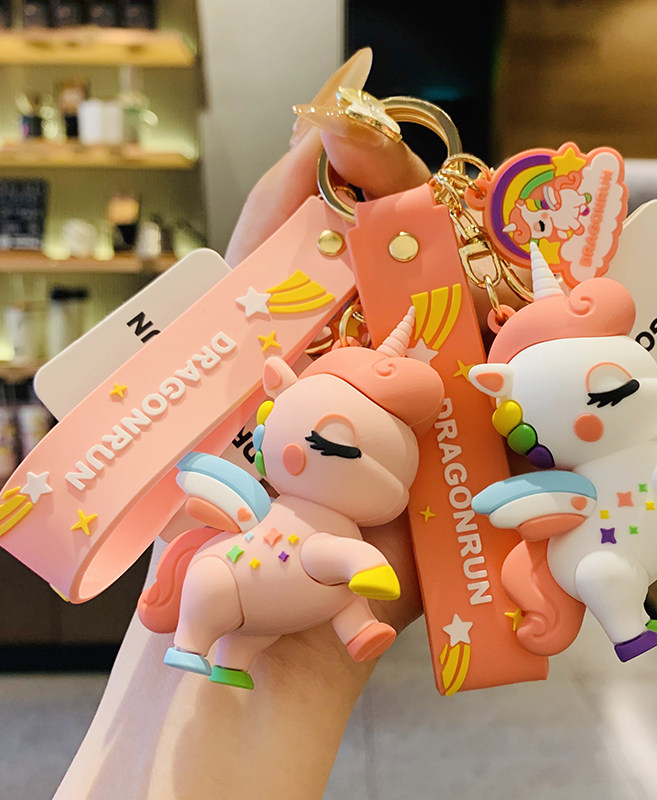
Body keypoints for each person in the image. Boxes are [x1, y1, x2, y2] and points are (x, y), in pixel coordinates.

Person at [54, 48, 441, 800]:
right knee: (229, 584)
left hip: (288, 576)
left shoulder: (342, 509)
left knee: (323, 590)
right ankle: (203, 641)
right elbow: (314, 541)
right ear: (275, 400)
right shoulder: (283, 486)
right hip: (257, 565)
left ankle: (318, 630)